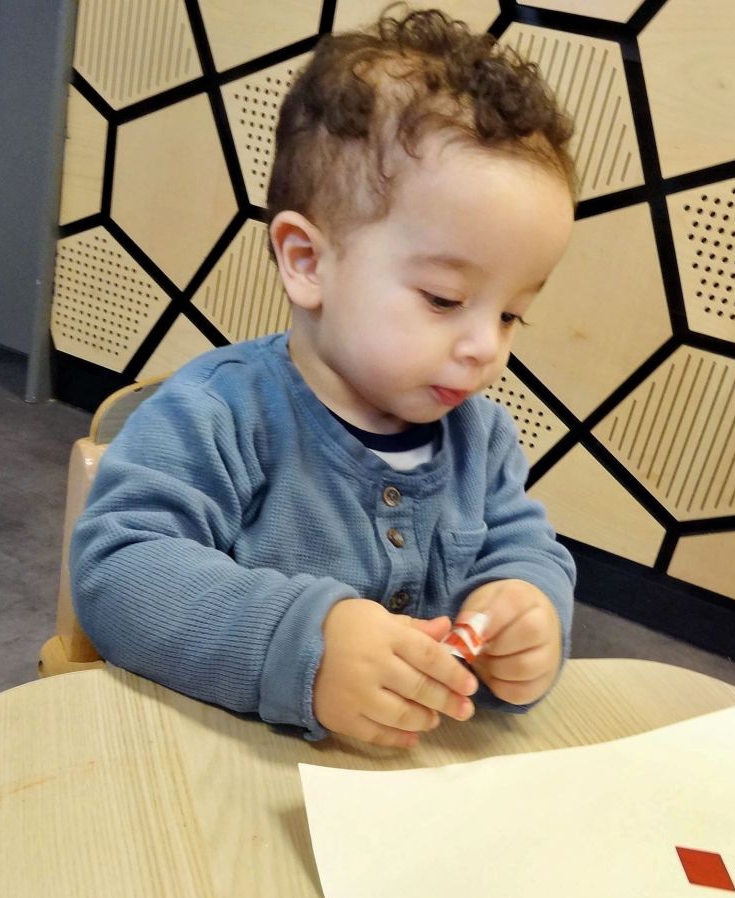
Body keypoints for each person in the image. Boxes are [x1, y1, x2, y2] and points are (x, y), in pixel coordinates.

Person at [71, 6, 578, 749]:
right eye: (444, 299)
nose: (485, 348)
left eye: (511, 315)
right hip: (226, 767)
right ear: (307, 262)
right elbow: (118, 574)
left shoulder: (484, 441)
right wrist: (302, 643)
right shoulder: (217, 415)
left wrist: (529, 607)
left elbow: (524, 549)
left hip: (406, 785)